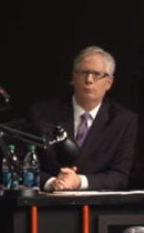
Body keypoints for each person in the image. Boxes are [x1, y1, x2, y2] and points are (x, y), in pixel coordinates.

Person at [27, 45, 137, 191]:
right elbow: (24, 164)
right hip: (47, 204)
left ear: (109, 82)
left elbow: (120, 176)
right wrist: (52, 182)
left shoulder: (123, 120)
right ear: (73, 78)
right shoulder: (42, 114)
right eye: (84, 73)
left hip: (96, 208)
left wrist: (79, 181)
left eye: (97, 74)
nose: (89, 80)